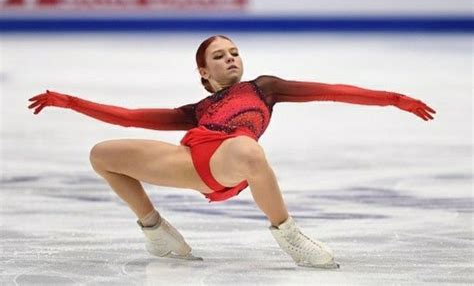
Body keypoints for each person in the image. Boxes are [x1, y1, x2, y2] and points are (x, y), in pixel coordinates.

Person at [27, 35, 436, 268]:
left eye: (234, 53)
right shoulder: (198, 110)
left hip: (233, 161)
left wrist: (393, 99)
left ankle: (289, 236)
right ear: (204, 71)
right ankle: (156, 231)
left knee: (246, 149)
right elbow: (131, 116)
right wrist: (70, 101)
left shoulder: (265, 88)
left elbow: (330, 91)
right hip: (190, 161)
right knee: (102, 154)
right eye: (219, 57)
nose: (230, 59)